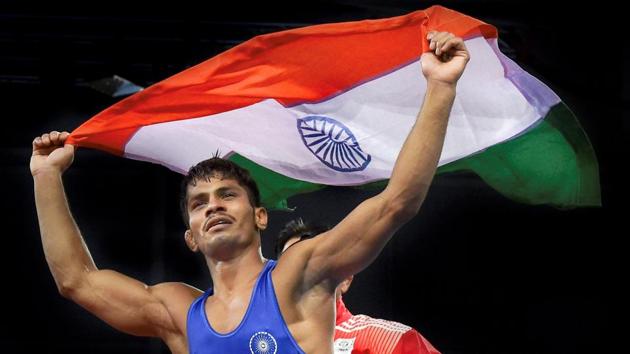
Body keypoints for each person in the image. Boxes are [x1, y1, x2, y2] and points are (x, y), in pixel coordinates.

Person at [30, 31, 469, 354]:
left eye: (227, 195)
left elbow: (396, 202)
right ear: (190, 235)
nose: (214, 206)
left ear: (260, 216)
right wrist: (46, 177)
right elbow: (77, 281)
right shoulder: (178, 314)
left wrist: (440, 87)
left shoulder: (300, 273)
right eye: (199, 204)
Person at [276, 219, 440, 354]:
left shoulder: (391, 341)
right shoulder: (260, 343)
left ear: (346, 278)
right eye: (289, 265)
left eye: (312, 266)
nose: (298, 276)